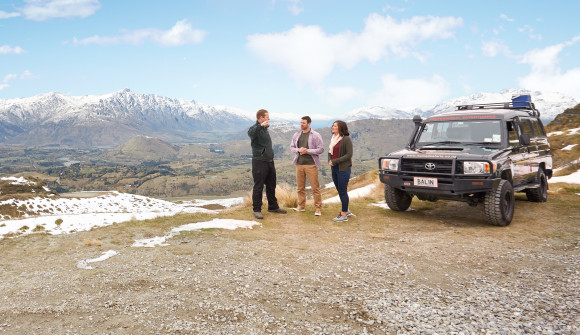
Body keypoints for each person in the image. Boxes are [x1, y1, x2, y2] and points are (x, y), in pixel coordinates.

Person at [248, 109, 287, 219]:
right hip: (259, 162)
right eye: (266, 117)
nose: (268, 119)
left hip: (269, 161)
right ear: (260, 118)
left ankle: (273, 207)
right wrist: (260, 126)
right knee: (258, 186)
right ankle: (257, 210)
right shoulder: (255, 129)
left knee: (271, 185)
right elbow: (251, 133)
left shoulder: (265, 129)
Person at [290, 116, 324, 216]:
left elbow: (321, 149)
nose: (301, 124)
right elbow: (292, 148)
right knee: (300, 188)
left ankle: (318, 208)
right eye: (301, 122)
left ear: (309, 124)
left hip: (311, 165)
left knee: (315, 188)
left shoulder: (316, 135)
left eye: (303, 123)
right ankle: (301, 206)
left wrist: (307, 151)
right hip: (299, 164)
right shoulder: (296, 134)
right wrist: (298, 150)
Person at [328, 120, 353, 222]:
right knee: (340, 190)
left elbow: (349, 154)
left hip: (343, 169)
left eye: (334, 126)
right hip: (334, 167)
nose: (332, 127)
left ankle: (343, 215)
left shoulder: (346, 139)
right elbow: (330, 151)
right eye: (333, 125)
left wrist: (335, 161)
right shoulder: (333, 138)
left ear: (340, 128)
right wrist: (330, 160)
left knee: (342, 191)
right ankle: (346, 209)